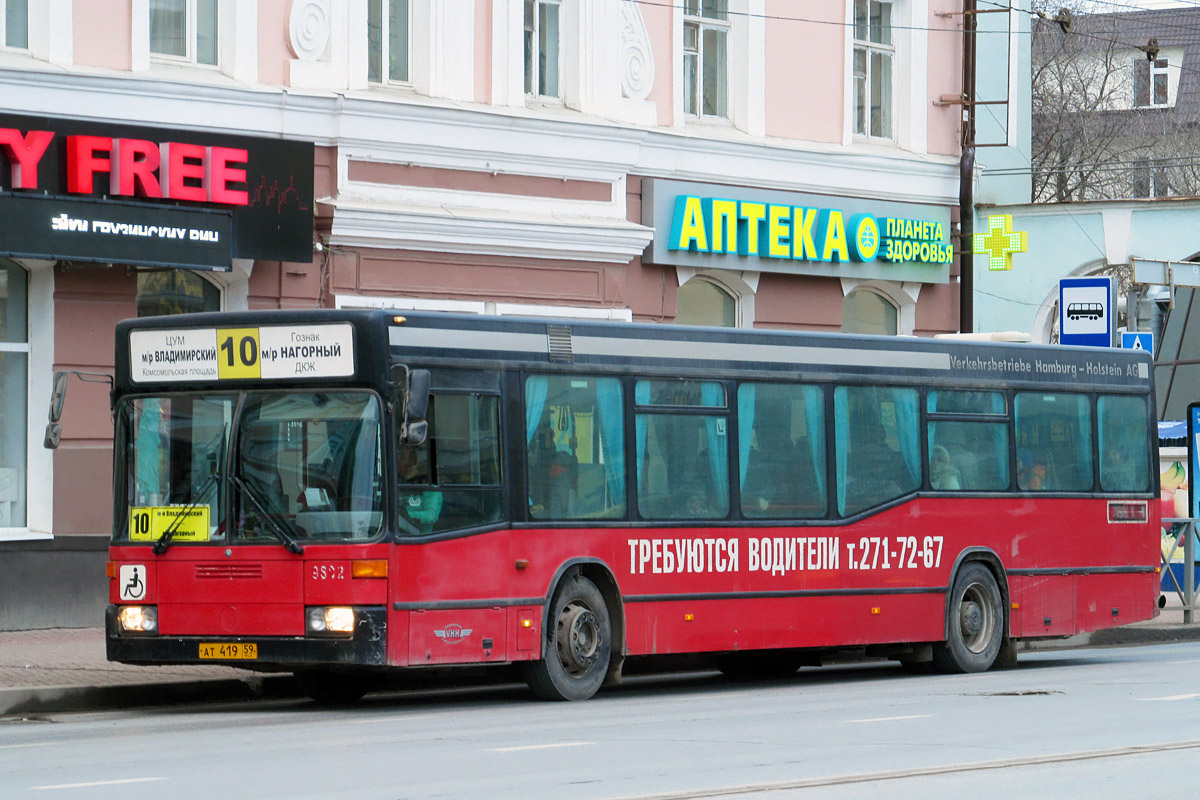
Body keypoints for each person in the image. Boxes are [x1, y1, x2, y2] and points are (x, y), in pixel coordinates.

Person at [398, 445, 442, 533]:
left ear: (414, 461)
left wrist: (404, 515)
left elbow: (430, 516)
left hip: (421, 541)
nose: (398, 459)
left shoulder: (431, 489)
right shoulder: (396, 486)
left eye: (402, 456)